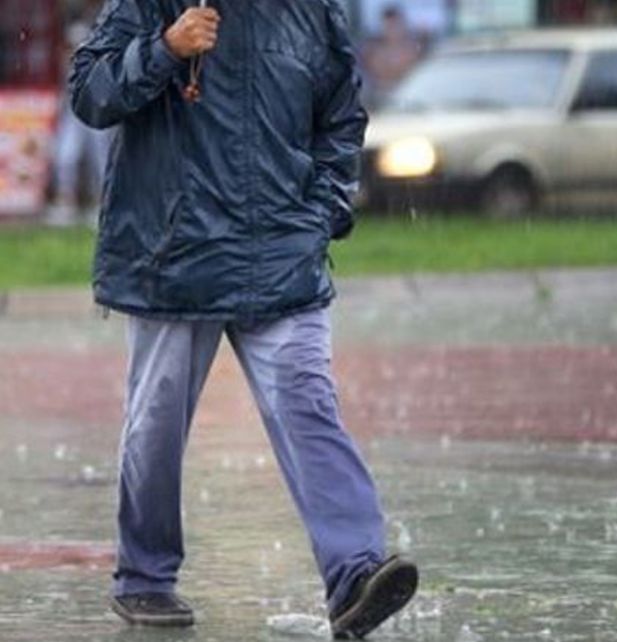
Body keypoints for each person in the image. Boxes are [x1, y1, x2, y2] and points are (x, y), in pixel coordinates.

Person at [68, 0, 417, 638]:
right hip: (172, 258)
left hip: (282, 254)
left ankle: (355, 574)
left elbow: (340, 121)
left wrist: (319, 218)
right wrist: (165, 50)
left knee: (309, 402)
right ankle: (145, 578)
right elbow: (90, 95)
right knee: (156, 425)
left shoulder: (312, 13)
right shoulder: (150, 5)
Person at [47, 20, 113, 228]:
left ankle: (101, 205)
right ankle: (65, 202)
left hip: (96, 114)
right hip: (73, 115)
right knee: (66, 156)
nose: (74, 49)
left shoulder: (99, 60)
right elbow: (63, 96)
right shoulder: (64, 63)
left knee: (101, 160)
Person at [361, 5, 422, 107]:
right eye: (389, 26)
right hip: (381, 100)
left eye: (395, 25)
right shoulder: (373, 52)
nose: (392, 30)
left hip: (412, 98)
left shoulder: (413, 50)